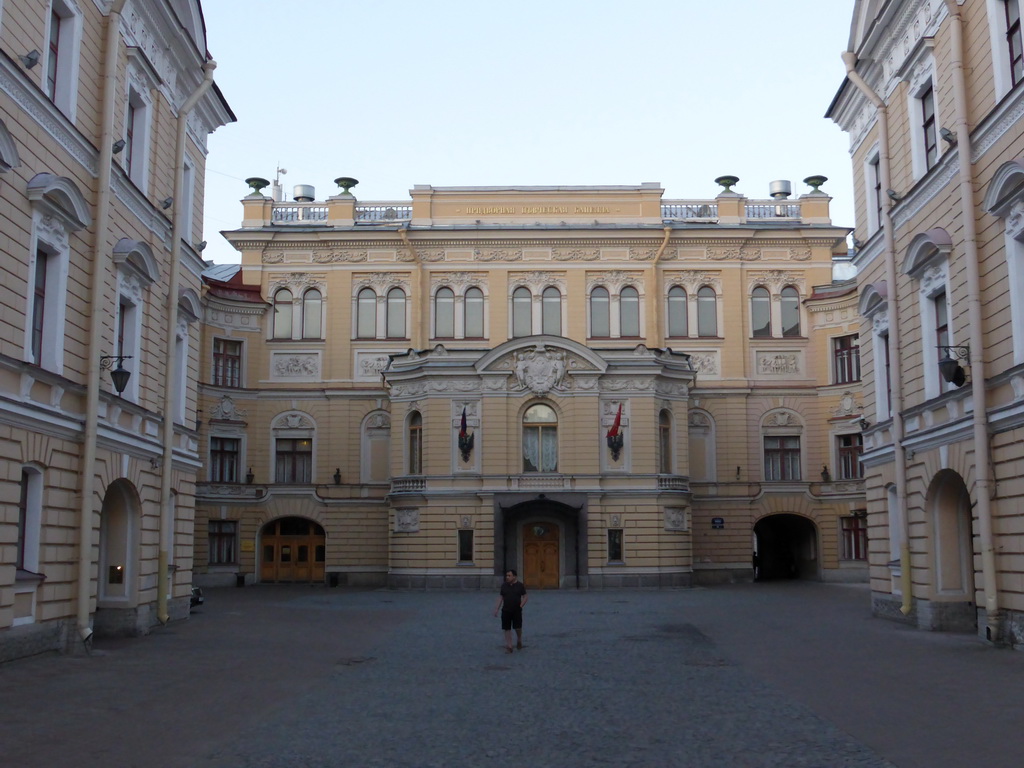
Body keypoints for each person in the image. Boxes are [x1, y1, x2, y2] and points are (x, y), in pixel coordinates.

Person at [493, 569, 528, 653]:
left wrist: (521, 605)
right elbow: (501, 597)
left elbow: (525, 596)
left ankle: (519, 639)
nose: (507, 577)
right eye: (506, 576)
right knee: (506, 628)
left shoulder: (520, 585)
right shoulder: (504, 585)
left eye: (509, 576)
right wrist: (497, 608)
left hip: (516, 610)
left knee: (517, 627)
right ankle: (509, 646)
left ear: (514, 576)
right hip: (506, 610)